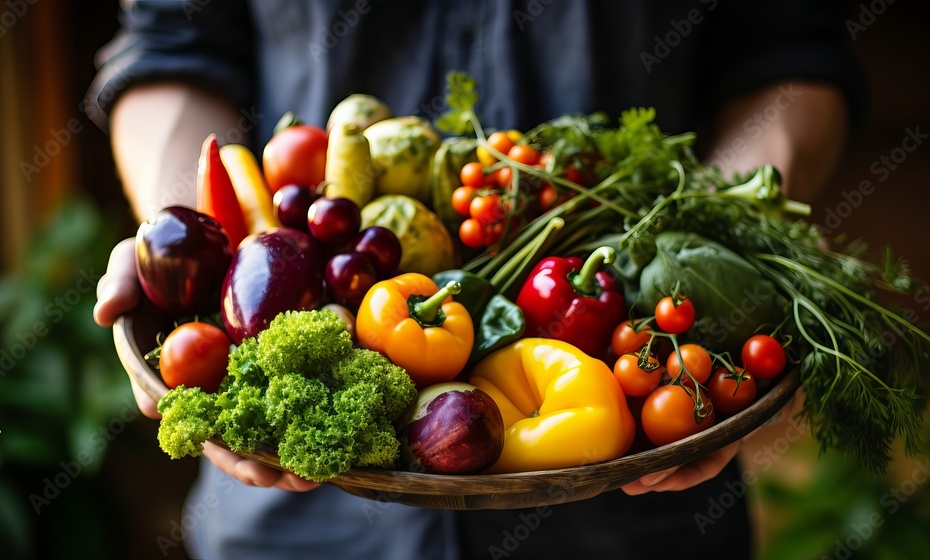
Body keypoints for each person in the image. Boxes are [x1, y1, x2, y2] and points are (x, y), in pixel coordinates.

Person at [89, 1, 865, 558]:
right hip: (295, 517)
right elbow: (171, 48)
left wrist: (734, 238)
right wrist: (181, 234)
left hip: (637, 513)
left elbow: (791, 54)